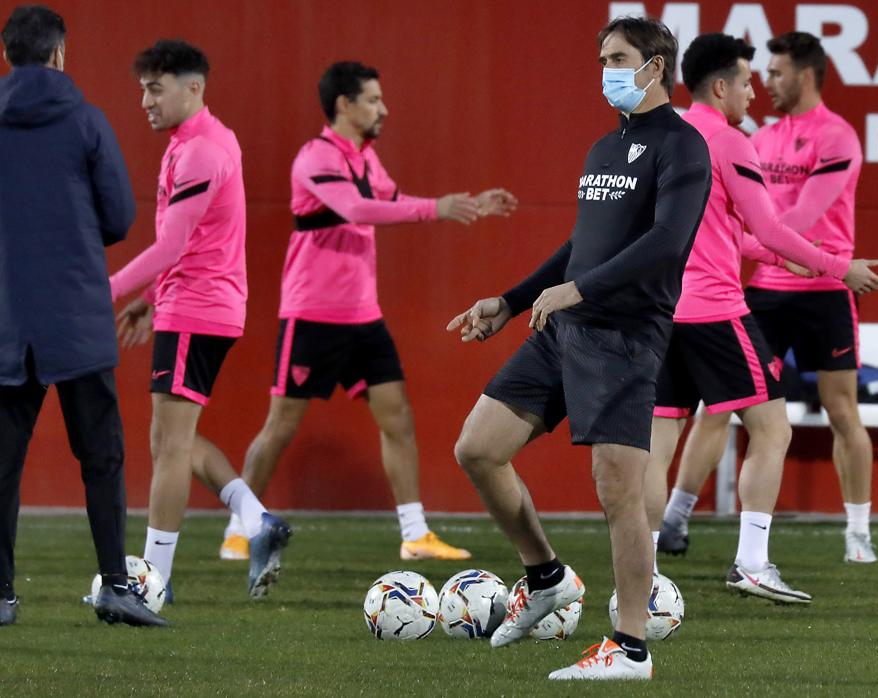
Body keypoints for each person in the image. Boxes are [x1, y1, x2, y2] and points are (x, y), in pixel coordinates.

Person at [447, 16, 710, 680]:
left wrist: (580, 290)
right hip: (563, 331)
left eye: (617, 58)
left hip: (624, 335)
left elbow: (666, 244)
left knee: (618, 492)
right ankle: (546, 577)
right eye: (600, 58)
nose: (605, 70)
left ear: (655, 66)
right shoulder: (603, 148)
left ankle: (628, 648)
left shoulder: (683, 147)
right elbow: (579, 247)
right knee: (478, 448)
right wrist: (508, 303)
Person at [219, 61, 514, 564]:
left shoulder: (365, 158)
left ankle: (415, 534)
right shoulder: (316, 157)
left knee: (397, 417)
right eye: (374, 99)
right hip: (311, 315)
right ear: (344, 105)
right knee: (280, 427)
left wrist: (466, 205)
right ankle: (239, 529)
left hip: (363, 318)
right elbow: (358, 210)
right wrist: (437, 208)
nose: (384, 108)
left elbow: (391, 199)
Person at [645, 33, 878, 604]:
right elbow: (771, 228)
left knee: (657, 438)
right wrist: (835, 266)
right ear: (722, 85)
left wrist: (783, 259)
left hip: (664, 308)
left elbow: (735, 235)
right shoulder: (731, 142)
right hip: (718, 308)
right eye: (750, 80)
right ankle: (751, 564)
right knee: (771, 427)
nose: (757, 91)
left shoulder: (662, 136)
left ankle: (643, 564)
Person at [0, 4, 163, 627]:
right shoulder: (87, 122)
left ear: (8, 54)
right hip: (75, 314)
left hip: (9, 317)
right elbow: (119, 216)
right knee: (102, 456)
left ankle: (3, 595)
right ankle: (117, 589)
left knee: (3, 463)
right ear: (60, 54)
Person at [112, 39, 290, 600]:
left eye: (155, 88)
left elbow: (171, 245)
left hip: (196, 308)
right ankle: (258, 520)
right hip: (193, 304)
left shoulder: (201, 151)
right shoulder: (198, 141)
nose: (144, 99)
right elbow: (192, 241)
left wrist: (103, 292)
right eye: (143, 87)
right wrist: (149, 300)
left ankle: (152, 582)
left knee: (168, 446)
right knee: (174, 441)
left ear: (193, 88)